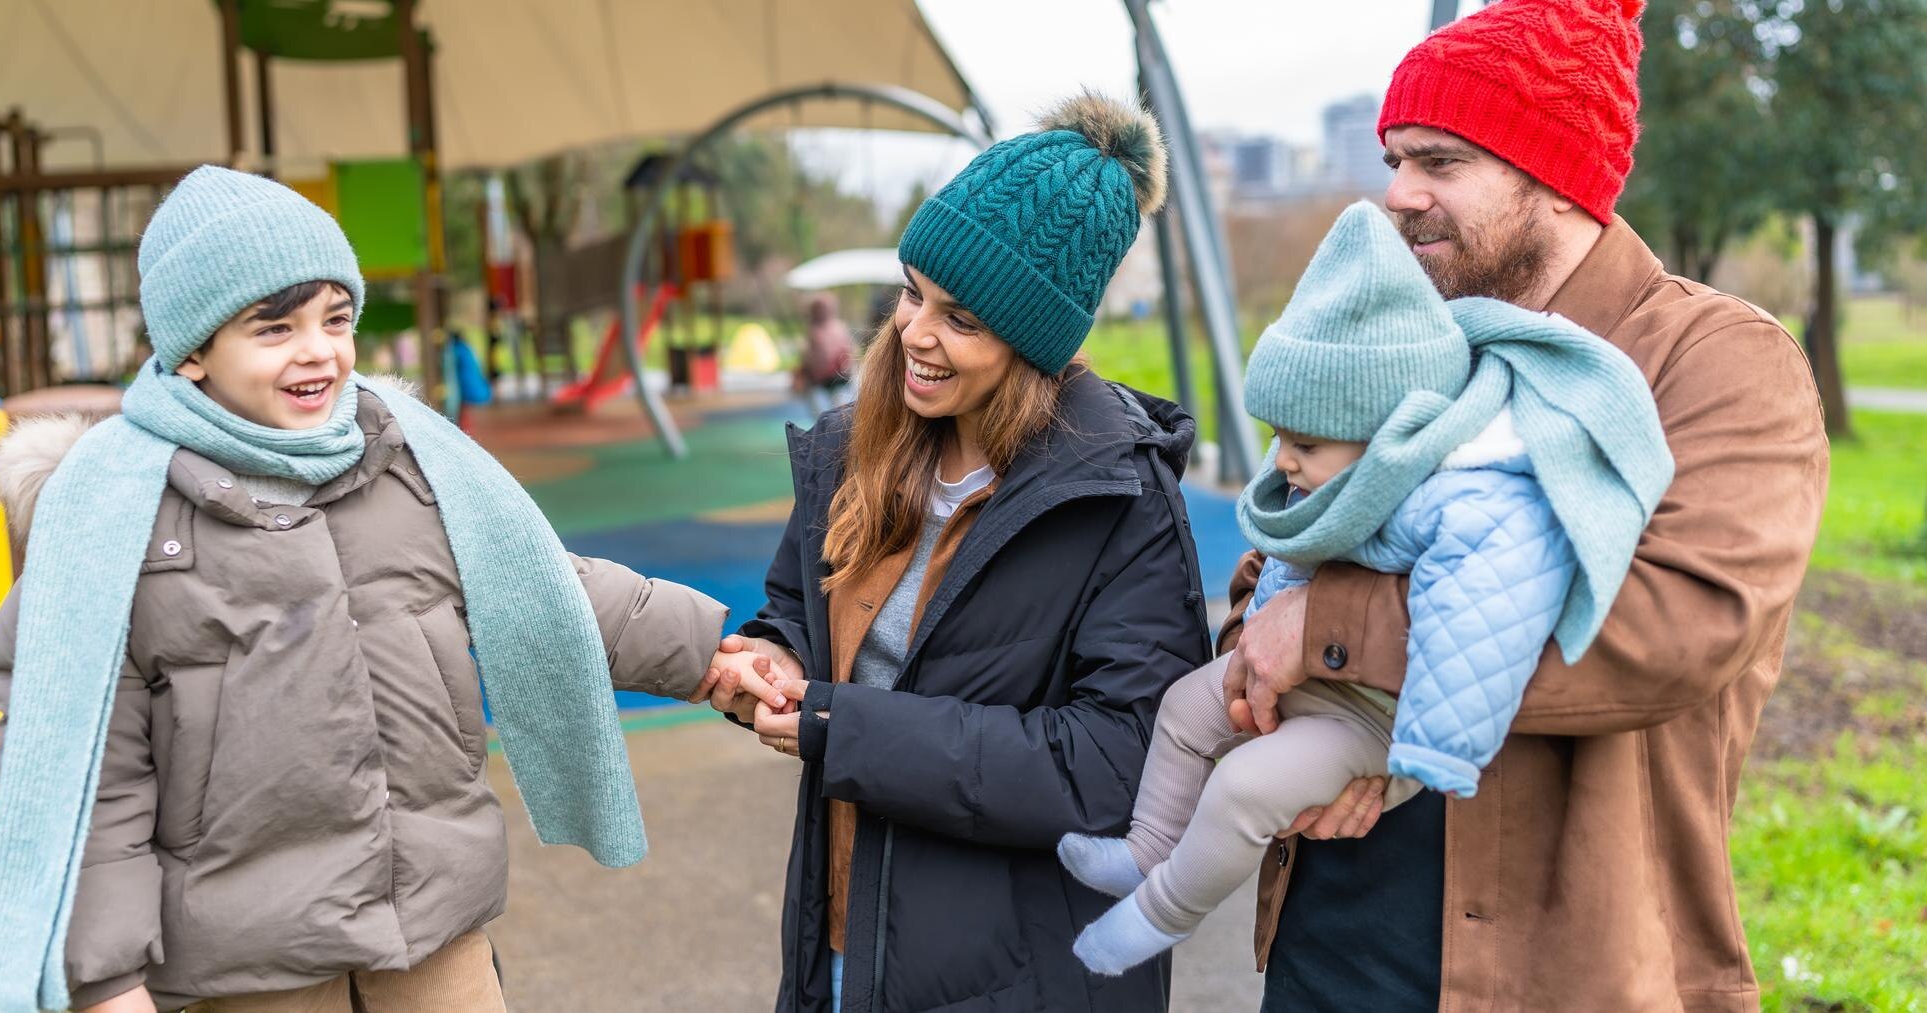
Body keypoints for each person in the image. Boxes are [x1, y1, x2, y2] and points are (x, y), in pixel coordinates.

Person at [0, 168, 787, 1013]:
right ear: (192, 349)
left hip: (432, 923)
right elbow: (84, 770)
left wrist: (706, 656)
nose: (319, 349)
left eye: (336, 317)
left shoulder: (406, 460)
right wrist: (106, 979)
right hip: (252, 964)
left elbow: (544, 585)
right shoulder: (118, 520)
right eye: (275, 327)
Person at [1220, 0, 1829, 1010]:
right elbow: (1273, 563)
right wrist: (1284, 685)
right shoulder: (1406, 342)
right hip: (1328, 948)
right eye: (1394, 158)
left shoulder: (1715, 362)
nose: (1397, 195)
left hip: (1565, 974)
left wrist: (1331, 631)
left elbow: (1674, 625)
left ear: (1553, 179)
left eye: (1439, 162)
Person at [1058, 201, 1672, 975]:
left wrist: (1428, 751)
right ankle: (1146, 849)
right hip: (1312, 683)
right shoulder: (1337, 477)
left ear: (1383, 432)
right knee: (1184, 706)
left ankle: (1158, 915)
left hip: (1381, 721)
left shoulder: (1471, 497)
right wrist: (1254, 641)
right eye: (1279, 437)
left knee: (1245, 788)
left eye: (1303, 443)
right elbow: (1285, 566)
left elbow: (1482, 617)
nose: (1282, 459)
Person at [709, 93, 1213, 1012]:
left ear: (1037, 344)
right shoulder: (846, 447)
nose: (915, 332)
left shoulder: (1123, 501)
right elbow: (798, 606)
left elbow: (1114, 765)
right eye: (913, 292)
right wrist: (775, 657)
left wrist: (839, 727)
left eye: (964, 320)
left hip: (1025, 973)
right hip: (844, 939)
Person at [793, 292, 857, 418]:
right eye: (817, 308)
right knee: (822, 417)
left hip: (840, 380)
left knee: (842, 417)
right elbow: (806, 358)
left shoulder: (838, 328)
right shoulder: (812, 331)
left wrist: (848, 366)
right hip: (819, 383)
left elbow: (850, 353)